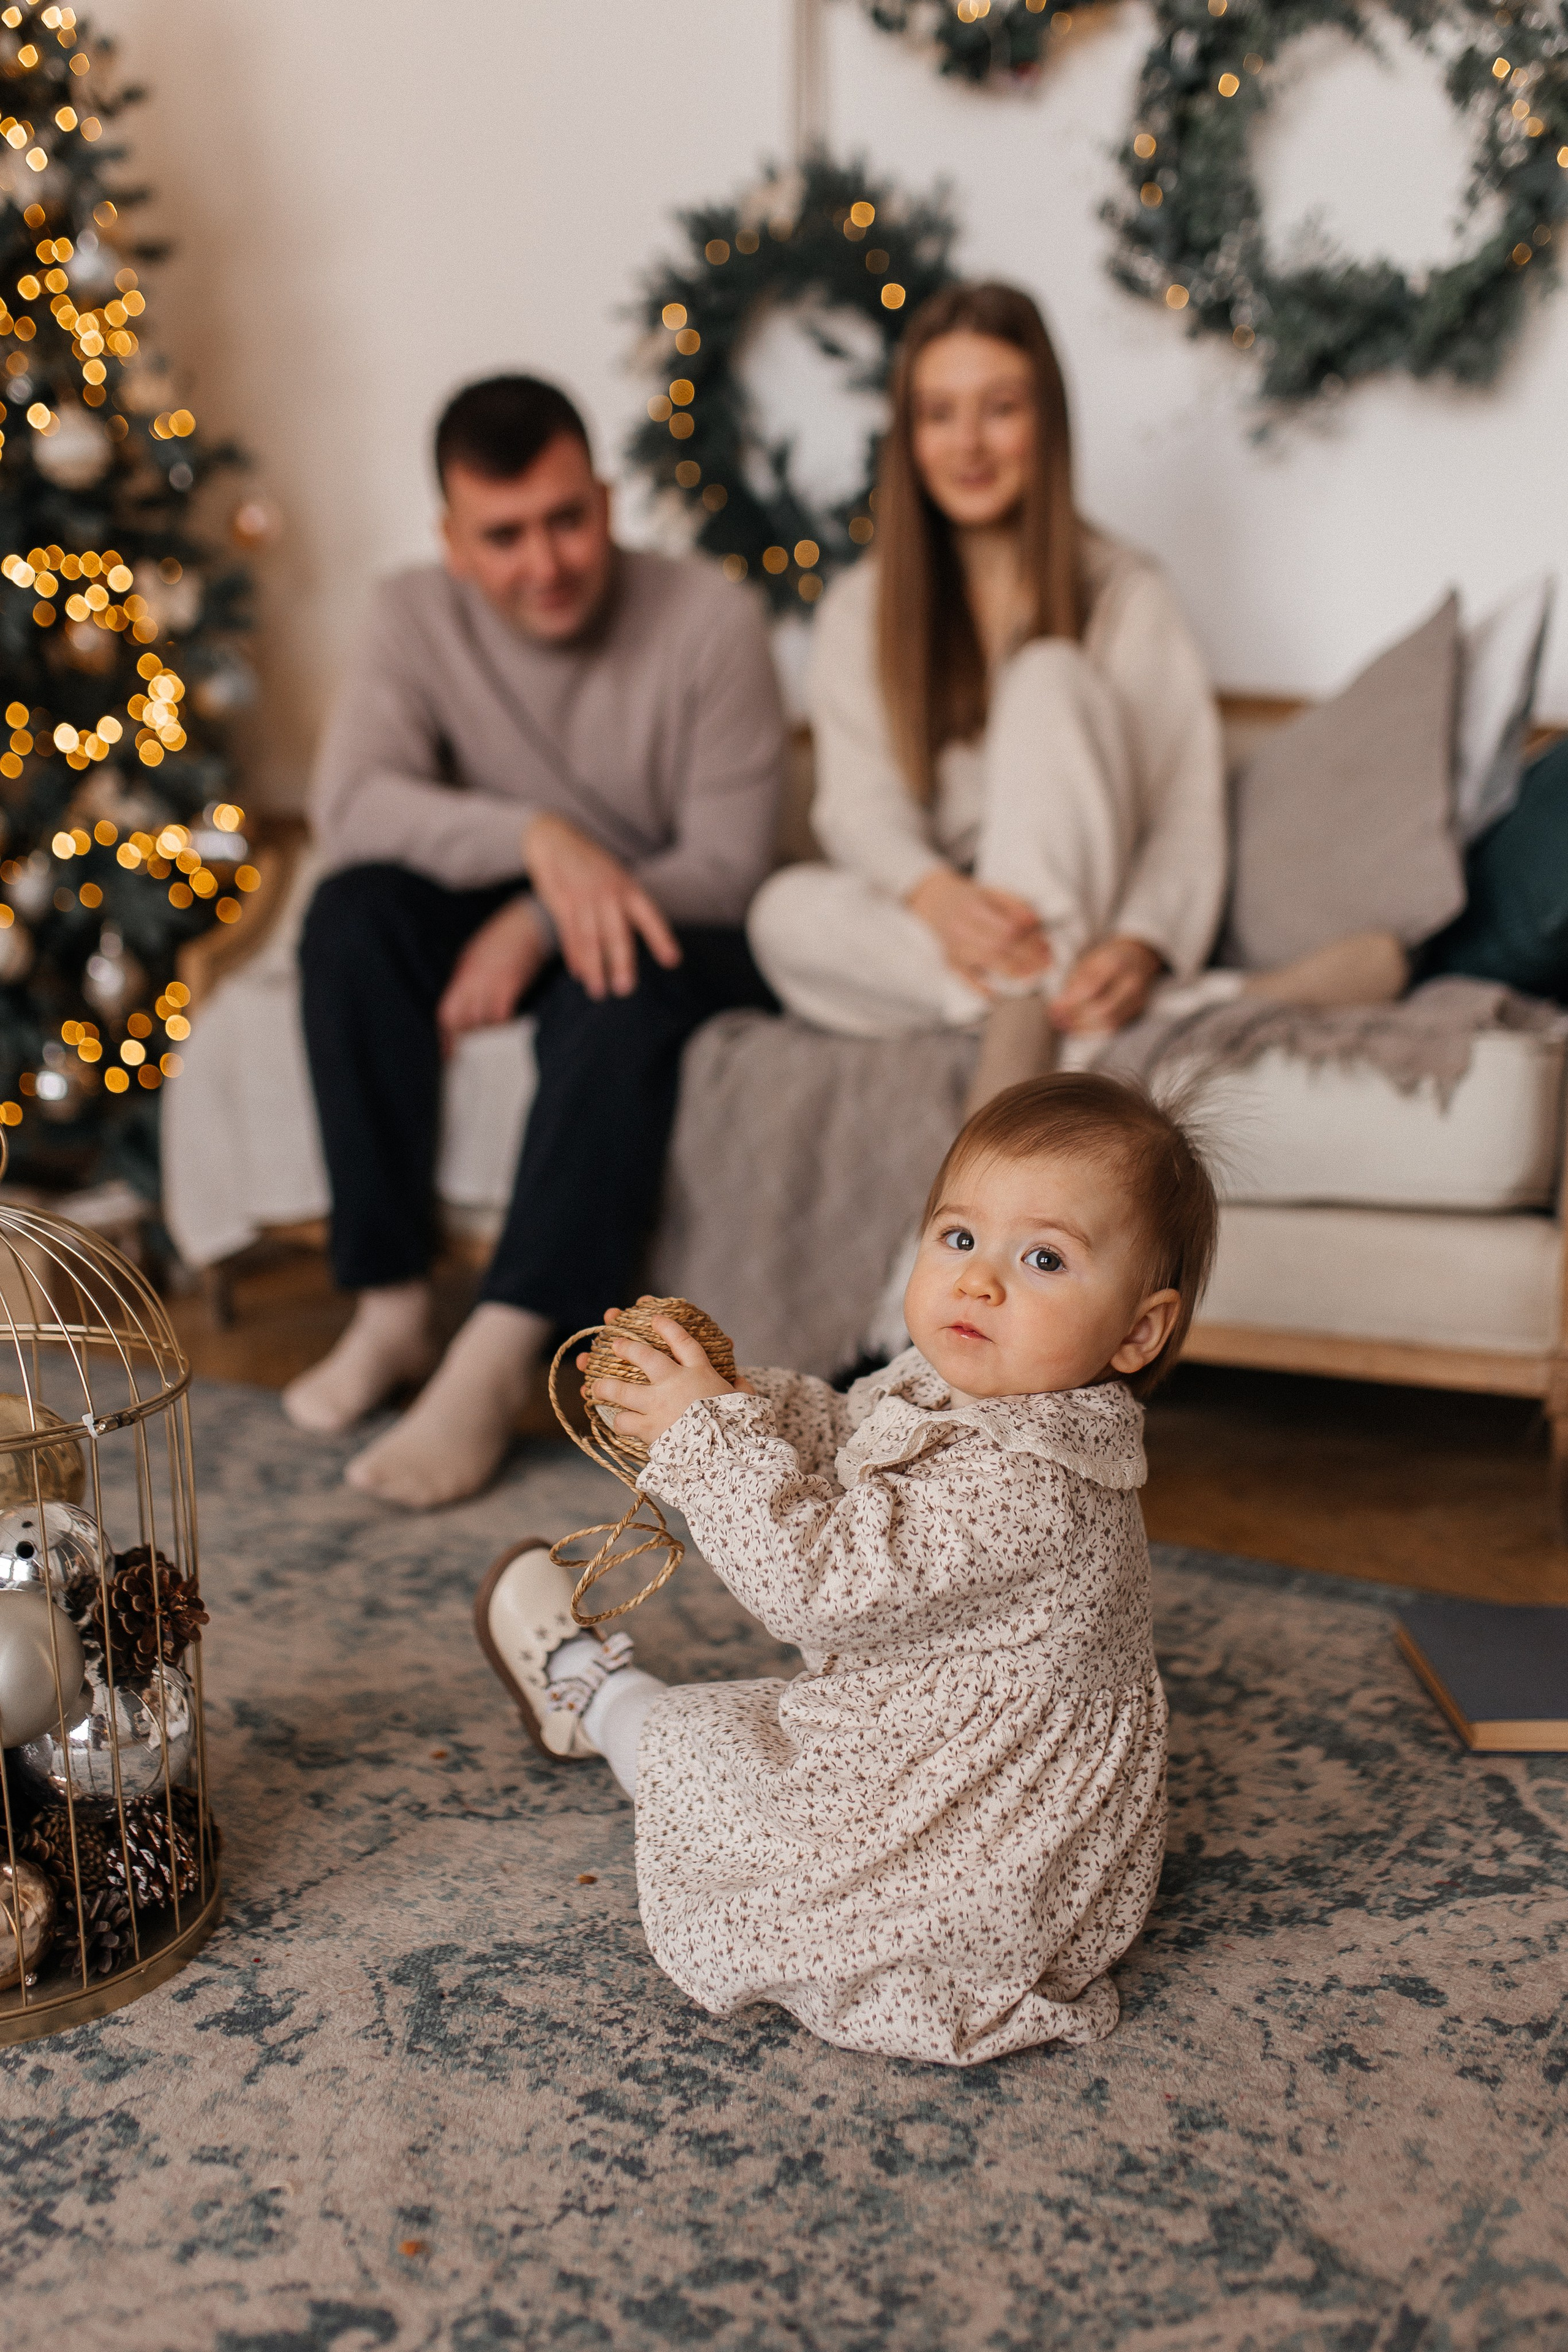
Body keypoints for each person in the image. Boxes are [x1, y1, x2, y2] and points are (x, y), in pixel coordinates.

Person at [475, 1071, 1218, 2066]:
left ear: (1138, 1330)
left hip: (979, 1842)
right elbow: (845, 1434)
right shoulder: (955, 1377)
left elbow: (816, 1587)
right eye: (959, 1238)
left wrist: (706, 1438)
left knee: (705, 1753)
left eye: (1043, 1258)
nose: (980, 1280)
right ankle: (606, 1704)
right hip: (939, 1735)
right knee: (751, 1751)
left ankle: (590, 1696)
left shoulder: (1038, 1487)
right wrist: (740, 1400)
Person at [284, 375, 785, 1507]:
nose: (544, 562)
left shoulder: (709, 620)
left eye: (567, 519)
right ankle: (394, 1303)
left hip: (671, 917)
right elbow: (352, 806)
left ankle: (500, 1349)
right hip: (527, 880)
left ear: (607, 501)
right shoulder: (410, 614)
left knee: (619, 976)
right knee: (350, 911)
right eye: (504, 536)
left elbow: (731, 862)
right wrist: (537, 841)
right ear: (454, 541)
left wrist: (542, 911)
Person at [746, 281, 1229, 1111]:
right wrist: (937, 896)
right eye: (939, 414)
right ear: (909, 436)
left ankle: (1010, 1069)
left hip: (1087, 901)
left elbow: (1184, 806)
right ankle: (1077, 1010)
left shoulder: (1125, 591)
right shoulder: (862, 607)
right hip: (953, 925)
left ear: (1046, 422)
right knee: (779, 915)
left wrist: (1143, 946)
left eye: (999, 408)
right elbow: (861, 807)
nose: (967, 443)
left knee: (1049, 674)